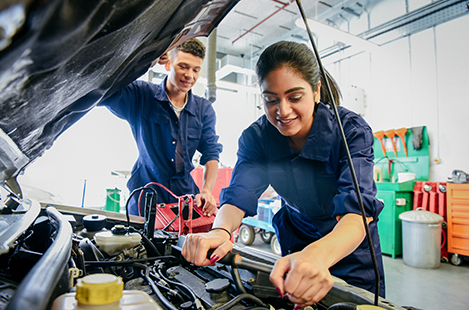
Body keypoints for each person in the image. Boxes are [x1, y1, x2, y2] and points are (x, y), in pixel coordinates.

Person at [181, 40, 385, 308]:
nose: (283, 111)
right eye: (271, 100)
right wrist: (219, 231)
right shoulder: (257, 138)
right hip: (296, 242)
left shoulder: (351, 132)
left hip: (349, 249)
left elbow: (357, 212)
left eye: (295, 97)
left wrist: (318, 255)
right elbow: (239, 194)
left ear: (316, 91)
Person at [100, 38, 223, 216]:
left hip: (184, 201)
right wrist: (147, 60)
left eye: (196, 70)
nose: (190, 75)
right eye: (183, 66)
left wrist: (206, 191)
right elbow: (105, 89)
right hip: (145, 200)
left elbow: (211, 152)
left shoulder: (204, 110)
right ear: (167, 64)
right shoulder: (141, 96)